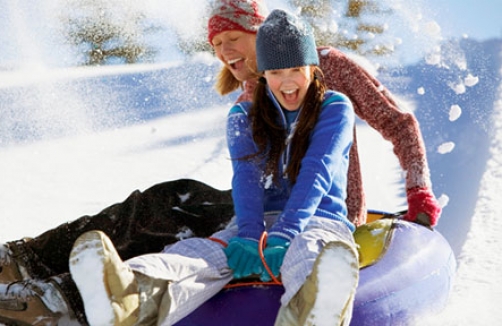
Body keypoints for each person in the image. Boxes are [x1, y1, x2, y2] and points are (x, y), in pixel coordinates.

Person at [69, 9, 359, 326]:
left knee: (309, 248)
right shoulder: (243, 116)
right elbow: (246, 179)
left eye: (295, 69)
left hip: (320, 218)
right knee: (205, 252)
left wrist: (286, 234)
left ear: (312, 67)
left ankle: (314, 312)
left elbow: (318, 171)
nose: (287, 81)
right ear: (263, 74)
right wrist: (250, 235)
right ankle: (130, 294)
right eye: (275, 72)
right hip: (259, 222)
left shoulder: (334, 107)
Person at [208, 0, 441, 227]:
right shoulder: (244, 106)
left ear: (261, 34)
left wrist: (418, 189)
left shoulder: (326, 66)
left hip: (333, 223)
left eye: (234, 38)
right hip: (272, 225)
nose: (224, 50)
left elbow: (398, 123)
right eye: (216, 43)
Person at [0, 179, 234, 325]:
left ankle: (61, 303)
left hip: (264, 227)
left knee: (197, 221)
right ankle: (23, 263)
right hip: (264, 199)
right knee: (177, 195)